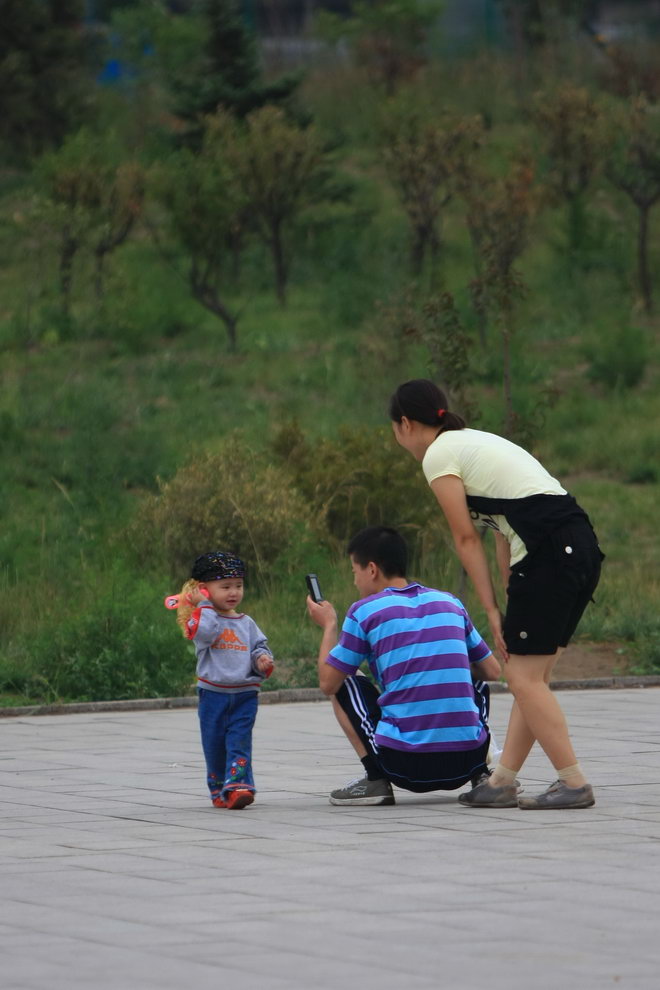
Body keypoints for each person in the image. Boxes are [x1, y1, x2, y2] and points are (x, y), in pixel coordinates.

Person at [389, 379, 604, 810]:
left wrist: (489, 609)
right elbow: (503, 528)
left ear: (405, 425)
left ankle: (574, 782)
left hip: (549, 554)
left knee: (523, 678)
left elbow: (465, 538)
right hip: (576, 547)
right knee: (532, 677)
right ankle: (503, 781)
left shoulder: (439, 455)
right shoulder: (474, 443)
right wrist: (509, 592)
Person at [306, 525, 502, 806]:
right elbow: (493, 671)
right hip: (465, 762)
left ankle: (376, 780)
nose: (354, 581)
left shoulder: (364, 611)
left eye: (354, 571)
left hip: (405, 767)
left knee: (346, 681)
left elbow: (328, 682)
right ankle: (483, 775)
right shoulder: (451, 603)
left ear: (371, 569)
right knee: (474, 676)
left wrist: (329, 625)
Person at [167, 550, 274, 810]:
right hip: (213, 695)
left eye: (238, 586)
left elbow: (259, 645)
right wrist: (202, 606)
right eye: (225, 587)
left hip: (245, 694)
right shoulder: (200, 619)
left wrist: (262, 659)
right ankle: (218, 789)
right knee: (214, 744)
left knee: (239, 740)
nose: (233, 592)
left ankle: (238, 787)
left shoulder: (246, 622)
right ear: (204, 589)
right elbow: (207, 634)